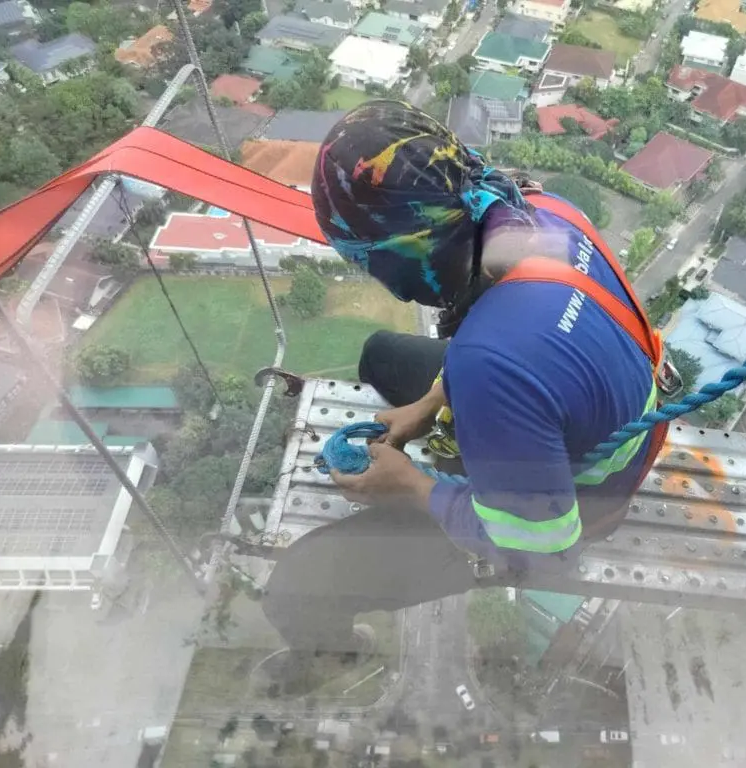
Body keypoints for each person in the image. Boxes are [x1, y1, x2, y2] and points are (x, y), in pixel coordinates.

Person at [260, 100, 674, 689]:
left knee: (297, 588)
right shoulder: (538, 210)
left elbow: (543, 552)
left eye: (365, 261)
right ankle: (444, 417)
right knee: (382, 353)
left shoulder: (493, 362)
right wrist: (430, 403)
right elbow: (522, 337)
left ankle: (338, 661)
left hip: (579, 505)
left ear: (406, 251)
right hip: (589, 405)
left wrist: (411, 487)